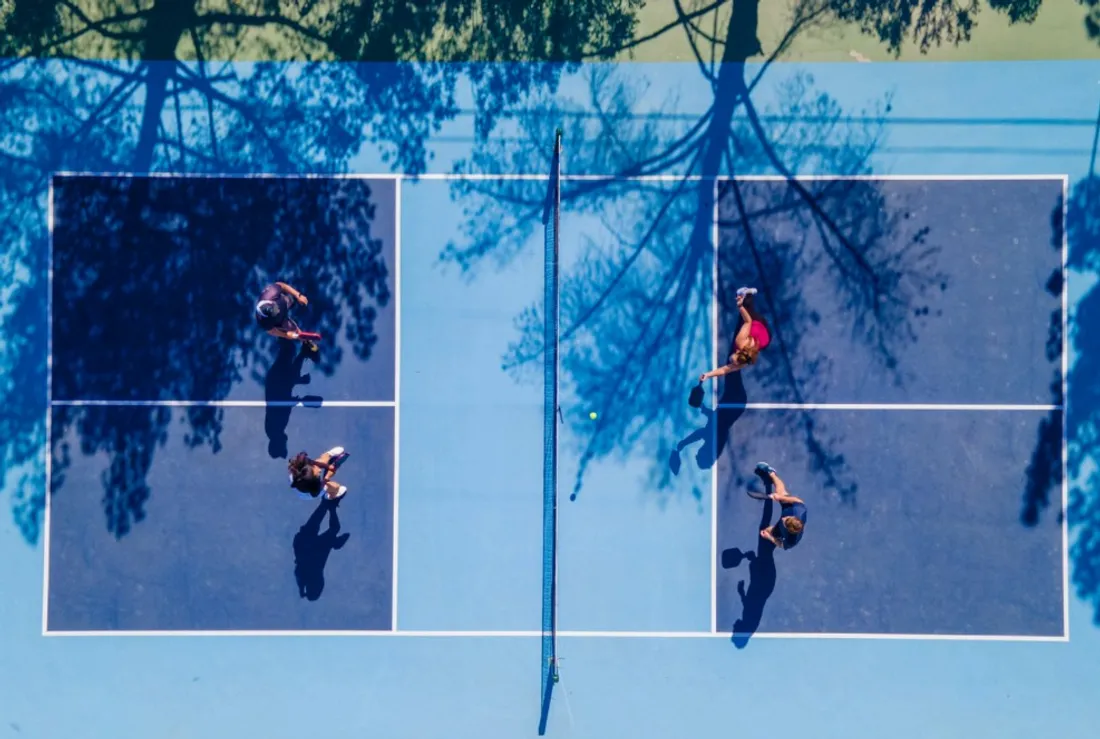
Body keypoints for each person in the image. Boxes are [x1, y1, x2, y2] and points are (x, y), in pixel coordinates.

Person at [700, 287, 771, 380]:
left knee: (758, 323)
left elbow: (725, 370)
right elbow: (748, 321)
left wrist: (708, 374)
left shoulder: (745, 360)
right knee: (749, 313)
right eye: (733, 362)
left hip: (765, 338)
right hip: (758, 325)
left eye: (733, 363)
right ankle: (746, 293)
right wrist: (740, 306)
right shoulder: (740, 342)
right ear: (738, 352)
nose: (732, 363)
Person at [754, 462, 806, 550]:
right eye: (787, 518)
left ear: (788, 530)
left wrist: (769, 538)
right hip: (789, 508)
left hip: (780, 529)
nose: (783, 518)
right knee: (780, 491)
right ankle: (771, 473)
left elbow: (782, 545)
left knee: (765, 531)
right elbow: (798, 501)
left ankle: (773, 533)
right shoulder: (800, 511)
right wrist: (780, 497)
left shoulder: (792, 540)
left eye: (785, 521)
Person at [255, 281, 317, 352]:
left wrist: (298, 295)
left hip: (284, 302)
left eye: (275, 308)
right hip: (281, 321)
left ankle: (292, 301)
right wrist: (286, 335)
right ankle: (306, 341)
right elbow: (272, 331)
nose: (277, 311)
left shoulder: (271, 292)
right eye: (275, 313)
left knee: (291, 299)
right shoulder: (262, 321)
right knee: (294, 331)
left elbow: (282, 285)